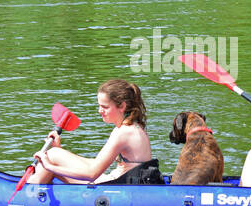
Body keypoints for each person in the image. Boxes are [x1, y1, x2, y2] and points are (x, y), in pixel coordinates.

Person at [31, 79, 162, 185]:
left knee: (52, 156)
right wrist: (59, 150)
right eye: (99, 105)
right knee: (55, 153)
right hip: (122, 181)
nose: (100, 111)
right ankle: (32, 185)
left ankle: (28, 192)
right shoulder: (131, 126)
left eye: (105, 107)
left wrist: (49, 165)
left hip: (121, 187)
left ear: (122, 106)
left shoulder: (124, 132)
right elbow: (96, 163)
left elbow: (92, 174)